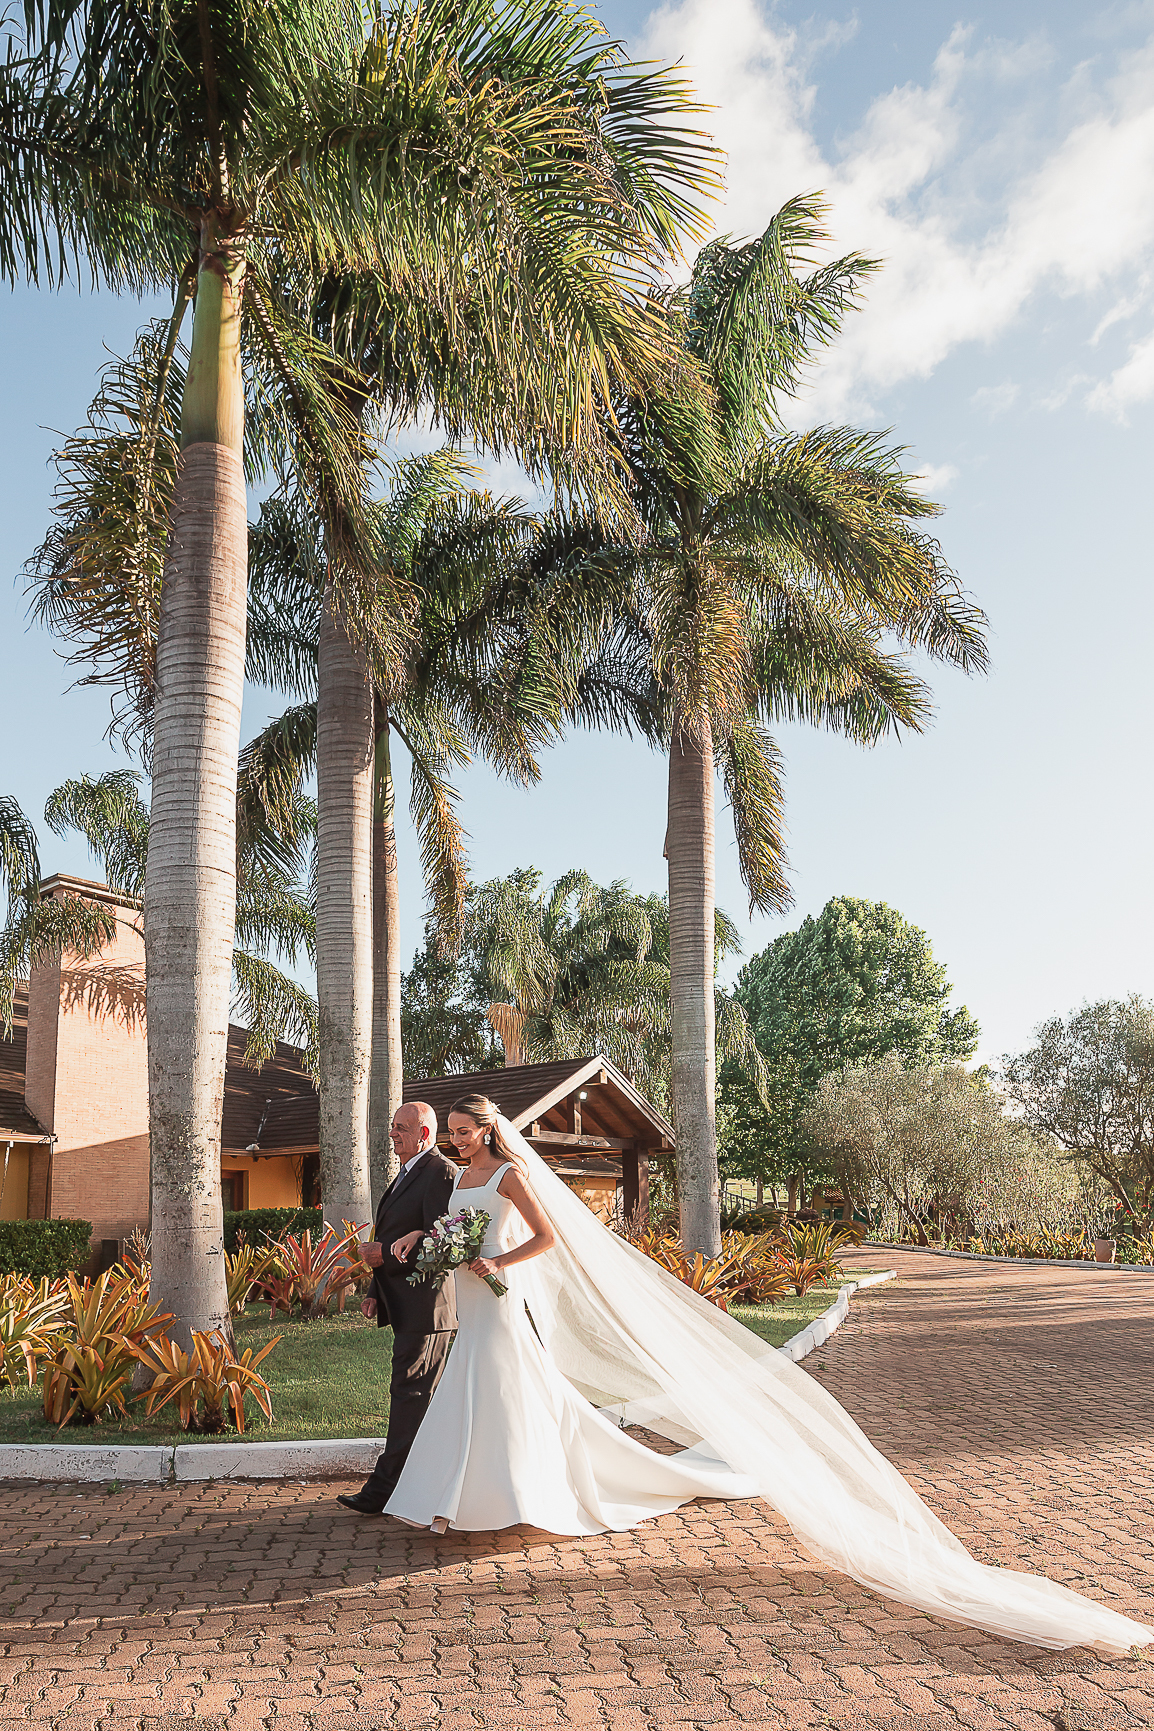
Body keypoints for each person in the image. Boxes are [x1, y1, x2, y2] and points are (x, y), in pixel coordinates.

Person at [376, 1094, 1152, 1658]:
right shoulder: (454, 1182)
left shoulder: (511, 1176)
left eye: (464, 1128)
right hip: (470, 1303)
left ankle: (511, 1496)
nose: (457, 1138)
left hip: (499, 1302)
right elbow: (448, 1227)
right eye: (451, 1131)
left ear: (488, 1129)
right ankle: (449, 1501)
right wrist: (436, 1247)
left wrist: (494, 1261)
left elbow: (546, 1239)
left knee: (506, 1393)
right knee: (469, 1392)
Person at [336, 1102, 458, 1515]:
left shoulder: (440, 1172)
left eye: (401, 1129)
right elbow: (396, 1233)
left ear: (424, 1134)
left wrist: (384, 1254)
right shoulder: (408, 1172)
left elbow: (443, 1244)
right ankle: (413, 1486)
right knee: (413, 1397)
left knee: (410, 1396)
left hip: (428, 1309)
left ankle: (383, 1491)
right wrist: (375, 1288)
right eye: (392, 1128)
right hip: (405, 1304)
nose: (393, 1135)